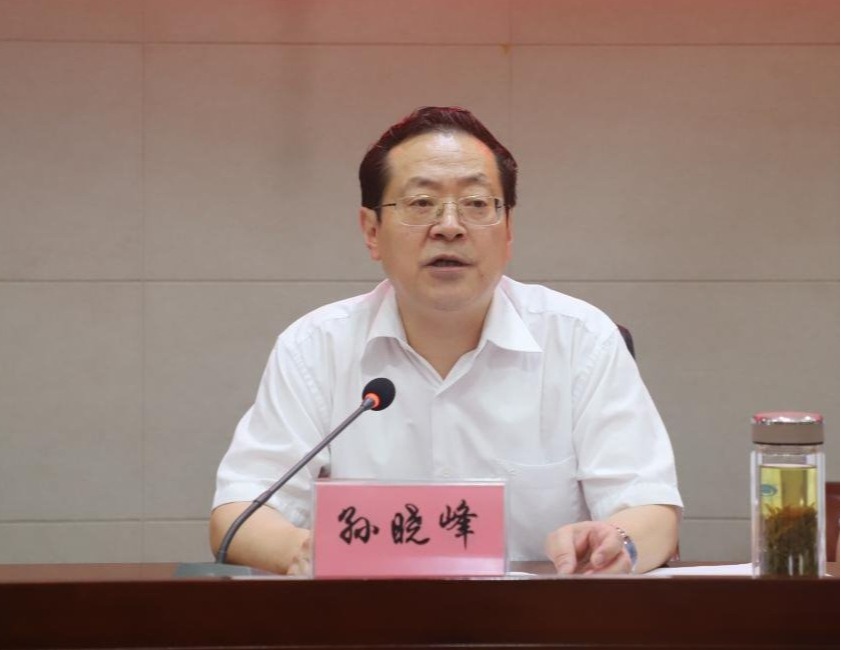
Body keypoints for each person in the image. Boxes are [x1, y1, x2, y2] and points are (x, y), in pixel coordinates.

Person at [210, 106, 683, 575]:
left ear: (508, 229)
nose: (450, 226)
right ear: (372, 231)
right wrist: (306, 551)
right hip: (367, 617)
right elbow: (238, 515)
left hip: (535, 619)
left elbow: (651, 511)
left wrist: (616, 543)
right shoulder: (314, 348)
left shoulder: (581, 339)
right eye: (421, 204)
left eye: (476, 204)